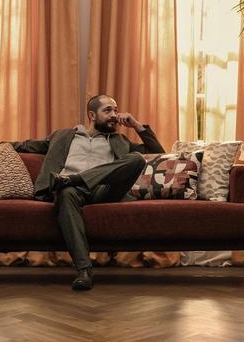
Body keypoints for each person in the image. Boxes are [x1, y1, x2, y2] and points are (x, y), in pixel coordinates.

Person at [12, 94, 165, 290]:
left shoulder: (120, 140)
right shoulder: (64, 135)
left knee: (135, 159)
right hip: (70, 191)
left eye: (115, 110)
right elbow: (24, 145)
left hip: (104, 191)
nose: (114, 115)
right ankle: (84, 271)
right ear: (92, 115)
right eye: (107, 110)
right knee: (65, 192)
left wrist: (136, 125)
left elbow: (158, 153)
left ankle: (75, 178)